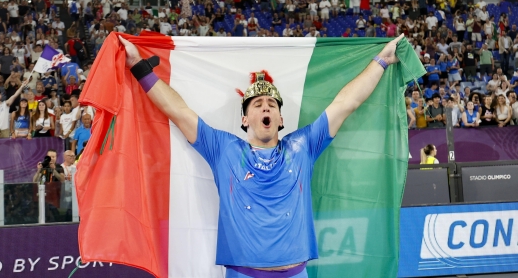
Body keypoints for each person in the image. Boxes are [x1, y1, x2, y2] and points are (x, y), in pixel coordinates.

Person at [117, 34, 405, 276]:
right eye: (257, 104)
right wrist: (137, 65)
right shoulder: (224, 149)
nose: (265, 107)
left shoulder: (302, 146)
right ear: (245, 120)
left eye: (271, 104)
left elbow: (346, 103)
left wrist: (381, 60)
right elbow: (177, 111)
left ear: (280, 119)